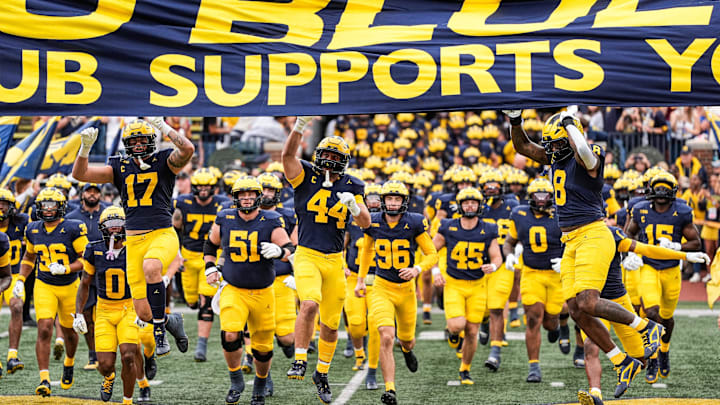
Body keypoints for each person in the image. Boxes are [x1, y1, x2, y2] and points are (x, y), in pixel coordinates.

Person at [506, 109, 664, 398]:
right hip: (571, 241)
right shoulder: (557, 155)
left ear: (569, 137)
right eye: (550, 143)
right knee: (576, 310)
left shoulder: (589, 154)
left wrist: (569, 122)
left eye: (557, 142)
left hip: (593, 233)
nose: (551, 149)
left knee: (589, 301)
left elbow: (582, 150)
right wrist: (515, 119)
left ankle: (646, 327)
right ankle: (621, 360)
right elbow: (523, 146)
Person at [72, 117, 194, 357]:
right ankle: (171, 323)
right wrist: (84, 148)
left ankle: (160, 335)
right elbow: (81, 174)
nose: (138, 144)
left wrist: (163, 127)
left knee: (151, 268)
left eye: (142, 140)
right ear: (127, 143)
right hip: (133, 240)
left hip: (161, 233)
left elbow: (188, 149)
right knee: (143, 313)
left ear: (152, 141)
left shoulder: (164, 160)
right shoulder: (120, 166)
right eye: (133, 140)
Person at [282, 117, 370, 404]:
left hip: (335, 260)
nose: (331, 161)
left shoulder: (353, 184)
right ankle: (299, 359)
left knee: (331, 325)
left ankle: (322, 372)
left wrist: (355, 206)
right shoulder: (305, 175)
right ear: (318, 156)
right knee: (308, 304)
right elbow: (287, 156)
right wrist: (299, 127)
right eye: (327, 156)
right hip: (307, 254)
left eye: (336, 157)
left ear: (344, 161)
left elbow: (366, 222)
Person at [578, 223, 709, 405]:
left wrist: (684, 255)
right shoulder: (572, 237)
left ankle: (637, 364)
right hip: (592, 301)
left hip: (617, 301)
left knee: (640, 358)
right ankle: (595, 394)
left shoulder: (611, 234)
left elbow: (646, 249)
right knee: (590, 345)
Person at [204, 176, 293, 405]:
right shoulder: (225, 217)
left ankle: (261, 385)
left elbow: (288, 248)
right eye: (242, 195)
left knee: (263, 348)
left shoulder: (271, 219)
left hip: (263, 292)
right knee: (230, 333)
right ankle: (236, 380)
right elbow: (210, 243)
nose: (246, 198)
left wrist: (279, 251)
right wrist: (210, 266)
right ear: (235, 198)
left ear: (258, 196)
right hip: (234, 288)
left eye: (250, 194)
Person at [355, 181, 438, 405]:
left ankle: (408, 350)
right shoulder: (373, 221)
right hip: (382, 286)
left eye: (397, 199)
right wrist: (361, 280)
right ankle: (390, 389)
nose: (392, 203)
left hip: (406, 291)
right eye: (389, 199)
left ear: (404, 201)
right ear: (383, 201)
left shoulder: (414, 222)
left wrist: (416, 269)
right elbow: (366, 251)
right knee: (385, 334)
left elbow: (432, 254)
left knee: (407, 340)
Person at [624, 171, 700, 383]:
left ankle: (664, 350)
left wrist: (678, 246)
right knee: (651, 312)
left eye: (665, 187)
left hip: (671, 270)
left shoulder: (682, 211)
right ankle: (654, 358)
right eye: (658, 186)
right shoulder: (640, 210)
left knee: (666, 318)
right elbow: (627, 234)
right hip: (648, 266)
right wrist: (630, 253)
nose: (661, 192)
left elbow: (696, 242)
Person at [15, 188, 88, 397]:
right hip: (44, 284)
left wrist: (67, 268)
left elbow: (86, 260)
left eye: (52, 205)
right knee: (45, 328)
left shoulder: (73, 228)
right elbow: (29, 257)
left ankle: (69, 362)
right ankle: (44, 379)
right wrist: (20, 279)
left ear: (61, 206)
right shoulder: (33, 229)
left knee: (70, 334)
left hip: (69, 285)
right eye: (44, 206)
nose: (47, 210)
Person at [432, 187, 501, 385]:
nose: (470, 206)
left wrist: (493, 266)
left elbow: (496, 255)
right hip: (454, 283)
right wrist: (436, 272)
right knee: (457, 326)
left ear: (480, 205)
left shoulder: (488, 228)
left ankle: (465, 369)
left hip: (478, 285)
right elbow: (432, 250)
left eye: (473, 202)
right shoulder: (448, 226)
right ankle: (452, 334)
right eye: (466, 203)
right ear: (460, 206)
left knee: (472, 331)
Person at [504, 178, 569, 383]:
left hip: (556, 274)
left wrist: (567, 260)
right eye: (537, 195)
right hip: (531, 273)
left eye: (545, 195)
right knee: (533, 318)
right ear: (530, 196)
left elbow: (575, 241)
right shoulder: (520, 214)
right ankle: (534, 367)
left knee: (550, 321)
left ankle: (557, 327)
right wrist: (509, 255)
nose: (541, 200)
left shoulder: (562, 214)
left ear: (552, 196)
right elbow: (509, 241)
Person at [74, 206, 137, 405]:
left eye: (119, 225)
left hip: (129, 307)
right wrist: (78, 313)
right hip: (104, 310)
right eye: (110, 226)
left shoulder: (134, 248)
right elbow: (84, 283)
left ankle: (127, 400)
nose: (115, 230)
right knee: (104, 365)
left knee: (128, 355)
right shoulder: (94, 248)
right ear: (102, 228)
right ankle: (109, 378)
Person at [172, 168, 225, 362]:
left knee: (205, 303)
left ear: (214, 187)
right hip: (188, 257)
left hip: (208, 259)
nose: (203, 190)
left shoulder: (222, 205)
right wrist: (175, 253)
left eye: (207, 187)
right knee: (192, 302)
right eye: (200, 186)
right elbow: (173, 228)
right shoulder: (183, 203)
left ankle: (200, 347)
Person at [66, 182, 109, 370]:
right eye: (89, 191)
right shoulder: (71, 217)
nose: (92, 194)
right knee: (86, 314)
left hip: (107, 269)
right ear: (82, 193)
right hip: (84, 271)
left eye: (95, 191)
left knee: (108, 312)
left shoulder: (109, 213)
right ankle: (93, 355)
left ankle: (107, 352)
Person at [0, 188, 29, 375]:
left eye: (4, 204)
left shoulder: (22, 222)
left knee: (17, 306)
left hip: (15, 274)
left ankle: (12, 355)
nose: (0, 208)